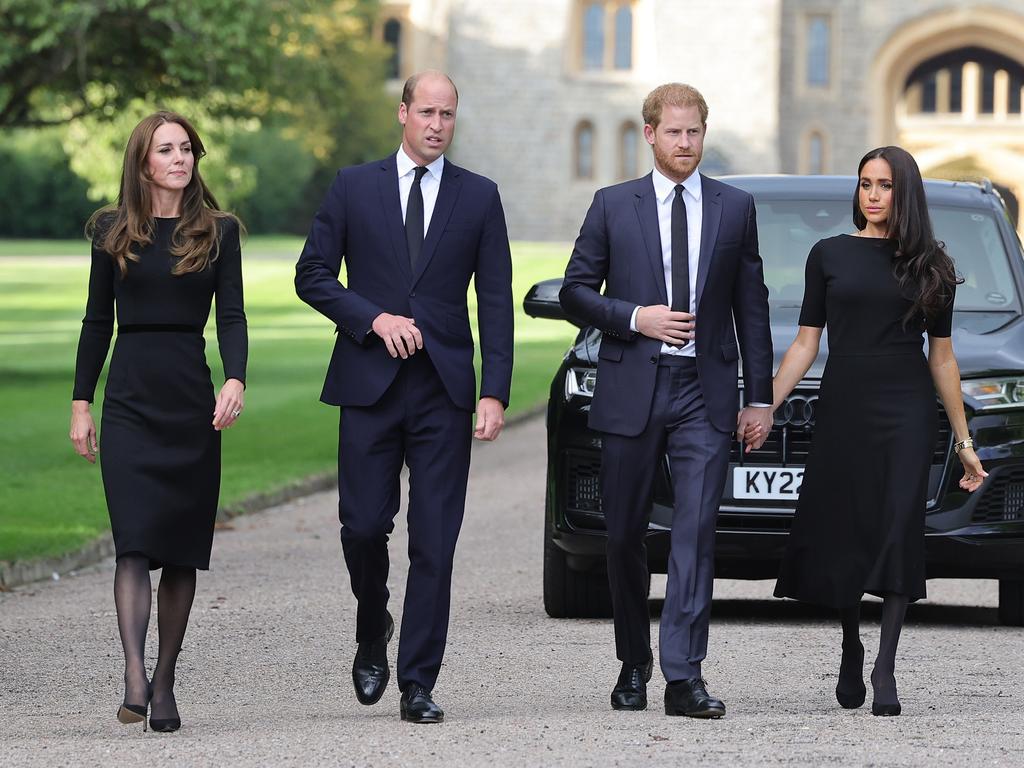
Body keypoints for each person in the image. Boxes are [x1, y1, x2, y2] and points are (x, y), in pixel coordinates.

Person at [294, 70, 513, 724]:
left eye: (447, 114)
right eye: (426, 112)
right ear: (403, 112)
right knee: (363, 527)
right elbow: (311, 275)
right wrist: (372, 319)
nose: (437, 125)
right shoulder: (354, 187)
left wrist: (495, 391)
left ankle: (418, 681)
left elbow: (496, 303)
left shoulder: (478, 197)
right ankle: (372, 622)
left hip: (443, 390)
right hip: (369, 383)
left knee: (435, 542)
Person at [559, 83, 773, 718]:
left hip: (702, 395)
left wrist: (757, 398)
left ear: (705, 134)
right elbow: (574, 292)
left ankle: (684, 674)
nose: (685, 144)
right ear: (649, 134)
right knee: (623, 533)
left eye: (695, 133)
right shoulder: (611, 205)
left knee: (696, 532)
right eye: (674, 132)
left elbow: (752, 309)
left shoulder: (735, 208)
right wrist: (634, 317)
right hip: (632, 388)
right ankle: (634, 660)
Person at [766, 146, 987, 716]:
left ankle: (885, 664)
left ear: (904, 193)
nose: (872, 194)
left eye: (885, 185)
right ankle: (850, 643)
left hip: (906, 408)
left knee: (896, 525)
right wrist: (765, 404)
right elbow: (805, 342)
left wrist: (964, 445)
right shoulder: (829, 255)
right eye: (865, 183)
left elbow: (943, 358)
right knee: (848, 526)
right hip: (845, 405)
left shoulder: (932, 265)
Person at [69, 111, 247, 733]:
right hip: (129, 400)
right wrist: (81, 403)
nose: (180, 158)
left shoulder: (219, 232)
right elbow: (96, 321)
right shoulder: (111, 231)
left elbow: (233, 317)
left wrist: (234, 377)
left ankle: (165, 680)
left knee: (180, 551)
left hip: (189, 402)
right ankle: (134, 677)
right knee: (134, 543)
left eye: (187, 149)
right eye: (166, 149)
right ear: (142, 161)